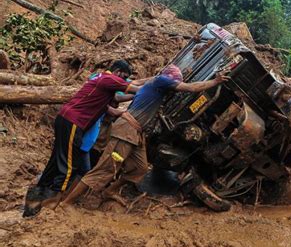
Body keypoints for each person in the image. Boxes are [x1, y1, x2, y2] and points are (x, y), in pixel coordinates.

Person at [61, 64, 230, 207]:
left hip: (136, 132)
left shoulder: (154, 84)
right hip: (127, 130)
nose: (175, 86)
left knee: (140, 168)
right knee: (104, 170)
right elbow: (191, 88)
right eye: (176, 82)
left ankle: (109, 191)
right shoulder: (161, 81)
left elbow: (138, 84)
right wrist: (215, 81)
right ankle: (66, 203)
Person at [23, 60, 143, 217]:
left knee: (57, 159)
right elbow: (135, 89)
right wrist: (155, 89)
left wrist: (121, 113)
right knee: (69, 164)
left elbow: (108, 107)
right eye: (124, 77)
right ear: (119, 72)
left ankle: (38, 194)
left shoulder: (99, 80)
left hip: (66, 119)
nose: (123, 80)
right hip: (74, 121)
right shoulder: (109, 79)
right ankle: (54, 201)